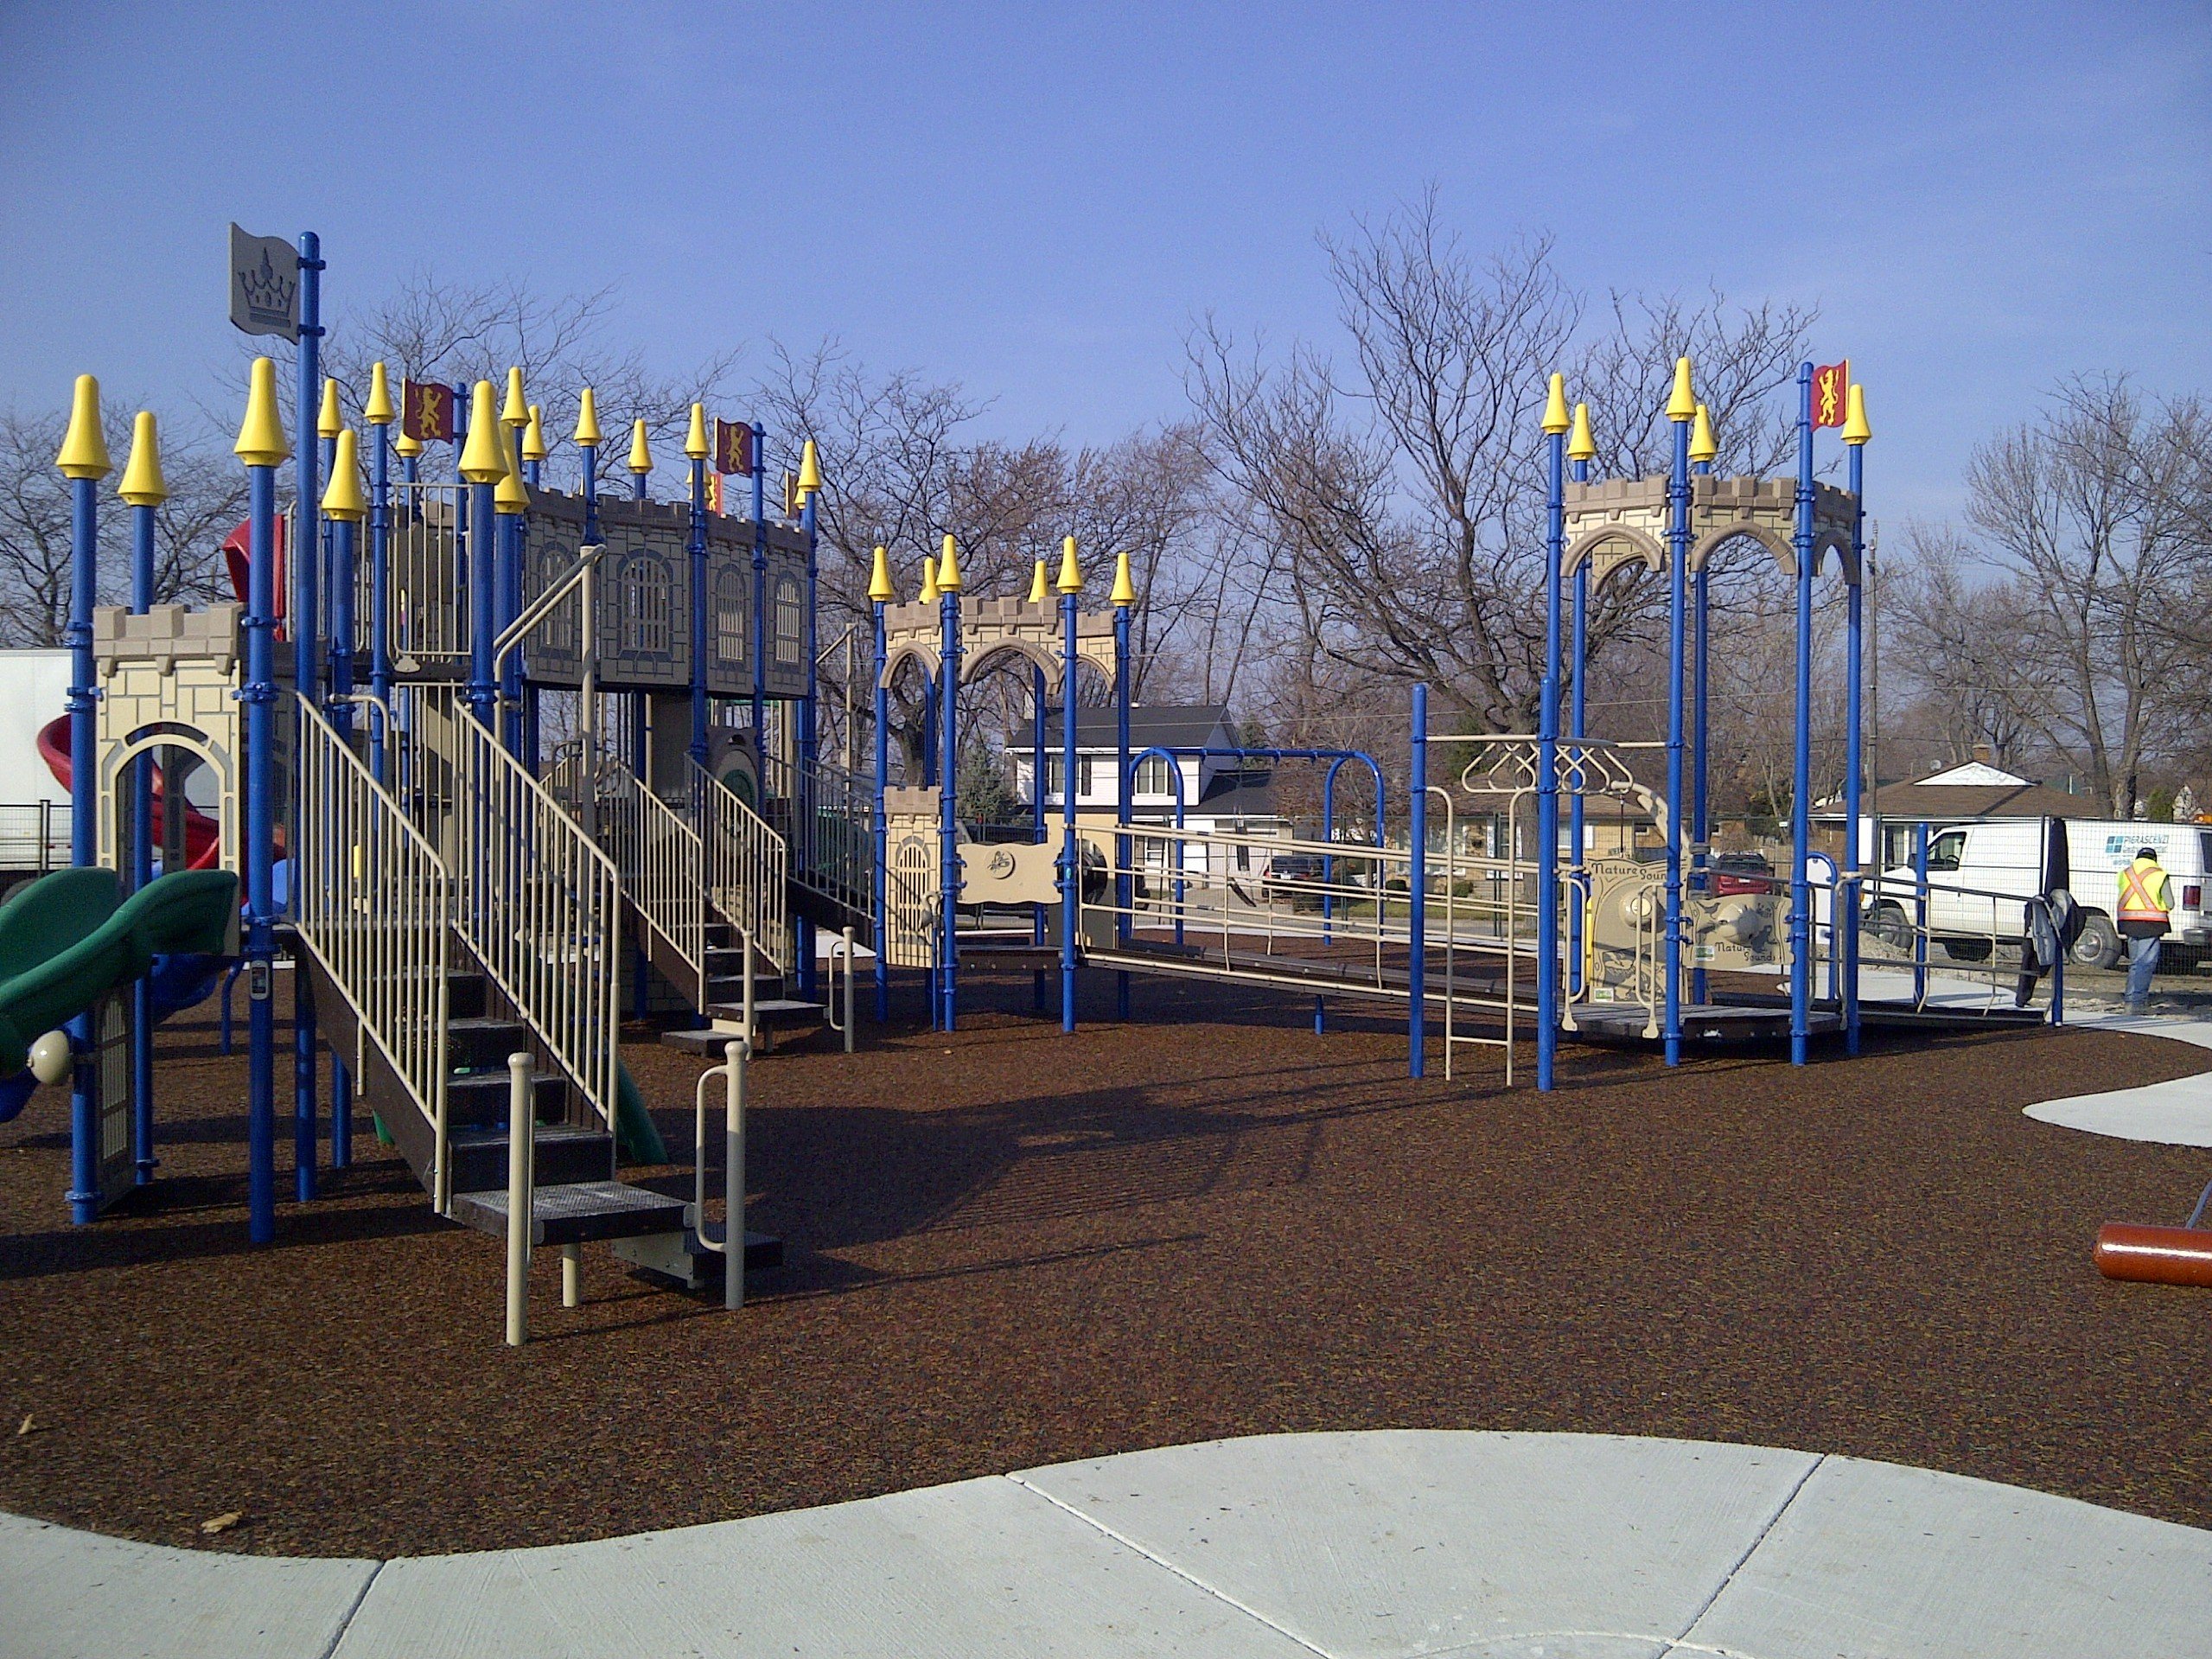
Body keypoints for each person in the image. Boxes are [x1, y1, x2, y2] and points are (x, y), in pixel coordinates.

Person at [2115, 845, 2173, 1013]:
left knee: (2135, 963)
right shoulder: (2159, 875)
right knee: (2145, 964)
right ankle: (2137, 1003)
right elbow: (2170, 903)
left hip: (2128, 922)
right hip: (2151, 923)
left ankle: (2130, 999)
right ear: (2154, 859)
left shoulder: (2125, 873)